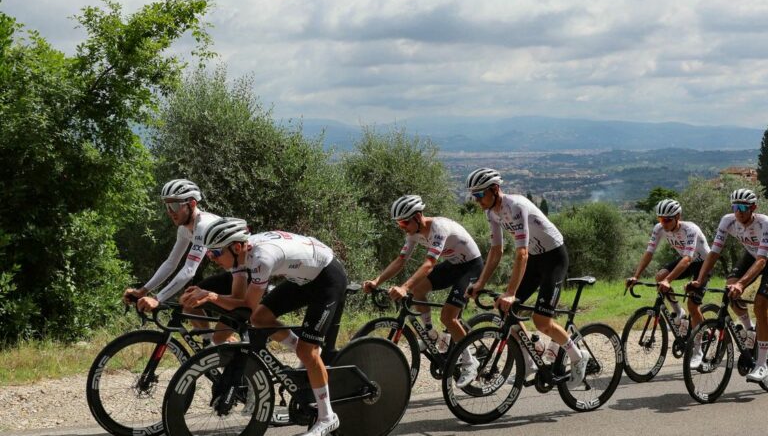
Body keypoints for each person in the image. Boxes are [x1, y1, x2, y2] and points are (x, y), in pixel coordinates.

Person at [181, 218, 348, 436]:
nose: (212, 258)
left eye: (216, 253)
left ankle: (327, 417)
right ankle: (303, 352)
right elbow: (239, 298)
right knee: (260, 319)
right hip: (303, 279)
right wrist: (207, 297)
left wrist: (211, 296)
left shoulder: (261, 258)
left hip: (328, 278)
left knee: (307, 351)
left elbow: (247, 304)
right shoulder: (239, 255)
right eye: (210, 253)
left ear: (237, 247)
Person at [463, 167, 590, 387]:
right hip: (534, 259)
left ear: (495, 189)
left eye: (480, 194)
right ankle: (530, 360)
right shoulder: (491, 213)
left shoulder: (516, 206)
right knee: (505, 309)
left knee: (541, 321)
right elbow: (496, 250)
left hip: (554, 259)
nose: (477, 200)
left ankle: (578, 356)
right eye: (474, 196)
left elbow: (521, 252)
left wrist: (511, 292)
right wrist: (481, 282)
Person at [362, 195, 484, 387]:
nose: (402, 227)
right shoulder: (413, 233)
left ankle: (470, 361)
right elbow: (400, 260)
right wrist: (377, 281)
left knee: (448, 317)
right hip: (454, 264)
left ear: (418, 217)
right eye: (398, 224)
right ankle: (429, 334)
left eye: (404, 222)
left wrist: (404, 287)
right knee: (418, 289)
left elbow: (429, 264)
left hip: (471, 266)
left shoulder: (438, 228)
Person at [687, 188, 768, 382]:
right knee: (730, 290)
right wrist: (699, 280)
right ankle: (750, 330)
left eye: (743, 207)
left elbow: (762, 261)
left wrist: (742, 284)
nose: (739, 211)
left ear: (753, 208)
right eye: (735, 207)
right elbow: (714, 253)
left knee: (760, 305)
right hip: (750, 254)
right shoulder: (728, 221)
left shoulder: (765, 223)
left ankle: (762, 364)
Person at [121, 179, 233, 344]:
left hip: (249, 273)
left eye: (174, 206)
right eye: (167, 206)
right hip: (233, 274)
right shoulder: (184, 229)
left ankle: (217, 348)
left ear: (192, 203)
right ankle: (212, 349)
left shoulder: (204, 225)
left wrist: (158, 298)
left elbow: (189, 270)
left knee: (193, 303)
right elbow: (171, 263)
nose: (170, 212)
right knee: (189, 300)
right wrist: (143, 291)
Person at [626, 198, 709, 368]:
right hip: (687, 260)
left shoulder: (690, 229)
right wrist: (636, 276)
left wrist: (668, 280)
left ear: (678, 216)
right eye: (660, 219)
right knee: (659, 276)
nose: (663, 223)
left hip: (703, 264)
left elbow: (687, 259)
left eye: (667, 220)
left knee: (693, 305)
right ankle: (679, 313)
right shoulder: (659, 229)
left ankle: (698, 350)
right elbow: (649, 253)